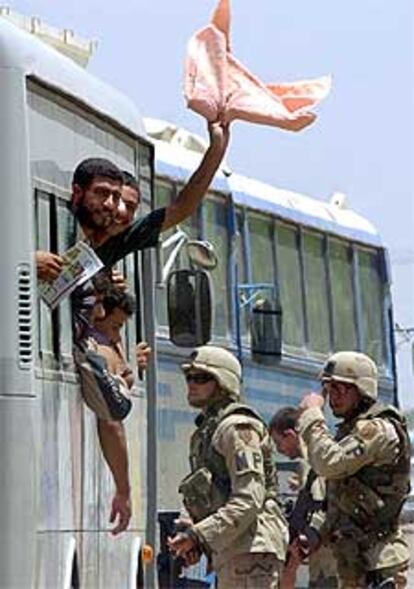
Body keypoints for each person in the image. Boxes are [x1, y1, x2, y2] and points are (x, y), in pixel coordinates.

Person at [36, 120, 229, 280]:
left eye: (119, 199)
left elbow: (181, 208)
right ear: (77, 193)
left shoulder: (118, 241)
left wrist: (217, 149)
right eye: (102, 194)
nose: (113, 208)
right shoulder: (53, 223)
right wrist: (26, 263)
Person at [168, 345, 288, 589]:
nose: (191, 384)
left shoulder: (237, 428)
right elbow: (203, 490)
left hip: (253, 550)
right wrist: (192, 530)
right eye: (189, 377)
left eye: (201, 378)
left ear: (223, 383)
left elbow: (249, 498)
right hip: (235, 548)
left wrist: (200, 534)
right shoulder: (209, 430)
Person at [298, 351, 411, 588]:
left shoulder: (378, 430)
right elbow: (341, 497)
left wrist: (312, 416)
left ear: (362, 390)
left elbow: (328, 463)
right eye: (330, 388)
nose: (333, 396)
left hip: (377, 564)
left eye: (342, 388)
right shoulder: (351, 431)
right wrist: (316, 531)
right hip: (353, 560)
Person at [74, 277, 150, 535]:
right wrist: (123, 491)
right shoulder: (96, 349)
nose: (116, 336)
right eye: (115, 327)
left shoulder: (100, 344)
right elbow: (111, 421)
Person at [269, 406, 337, 589]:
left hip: (327, 558)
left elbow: (321, 506)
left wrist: (303, 541)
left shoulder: (309, 462)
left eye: (278, 443)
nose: (279, 449)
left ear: (290, 435)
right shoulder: (318, 456)